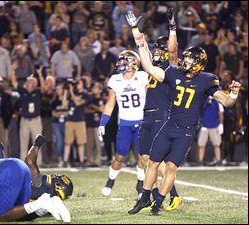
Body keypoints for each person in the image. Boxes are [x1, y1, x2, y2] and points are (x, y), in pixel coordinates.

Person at [126, 9, 241, 215]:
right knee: (152, 162)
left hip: (186, 131)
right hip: (169, 124)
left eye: (189, 60)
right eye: (185, 59)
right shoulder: (174, 73)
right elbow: (151, 67)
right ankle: (144, 198)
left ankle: (158, 203)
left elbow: (226, 102)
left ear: (198, 64)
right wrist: (139, 39)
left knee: (171, 168)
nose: (185, 62)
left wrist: (232, 94)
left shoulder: (207, 80)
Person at [128, 35, 182, 215]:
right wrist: (139, 39)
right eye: (155, 49)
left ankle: (173, 195)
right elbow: (145, 61)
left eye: (160, 49)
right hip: (148, 114)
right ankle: (151, 196)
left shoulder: (171, 67)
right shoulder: (156, 67)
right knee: (143, 158)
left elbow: (154, 61)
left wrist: (172, 30)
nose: (156, 52)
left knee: (157, 161)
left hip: (161, 113)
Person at [98, 50, 148, 197]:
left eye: (124, 61)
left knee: (142, 157)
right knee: (120, 156)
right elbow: (109, 105)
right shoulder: (115, 80)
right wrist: (103, 123)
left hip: (142, 122)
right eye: (120, 61)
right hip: (125, 123)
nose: (120, 64)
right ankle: (110, 181)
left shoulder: (143, 77)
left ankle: (140, 184)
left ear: (134, 63)